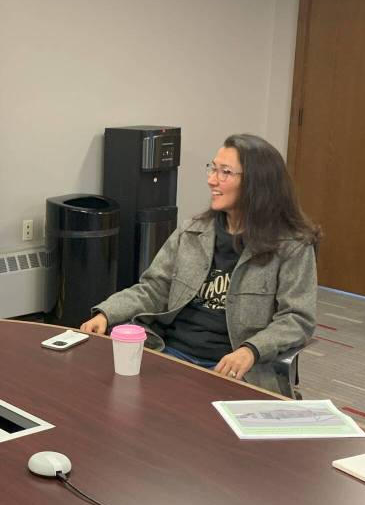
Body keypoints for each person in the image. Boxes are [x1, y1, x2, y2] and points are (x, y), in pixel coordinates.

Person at [80, 134, 319, 392]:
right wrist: (107, 313)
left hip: (235, 369)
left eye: (225, 172)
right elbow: (154, 288)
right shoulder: (193, 232)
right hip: (170, 352)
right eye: (213, 168)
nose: (212, 180)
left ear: (257, 183)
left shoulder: (291, 245)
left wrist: (251, 350)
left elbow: (297, 318)